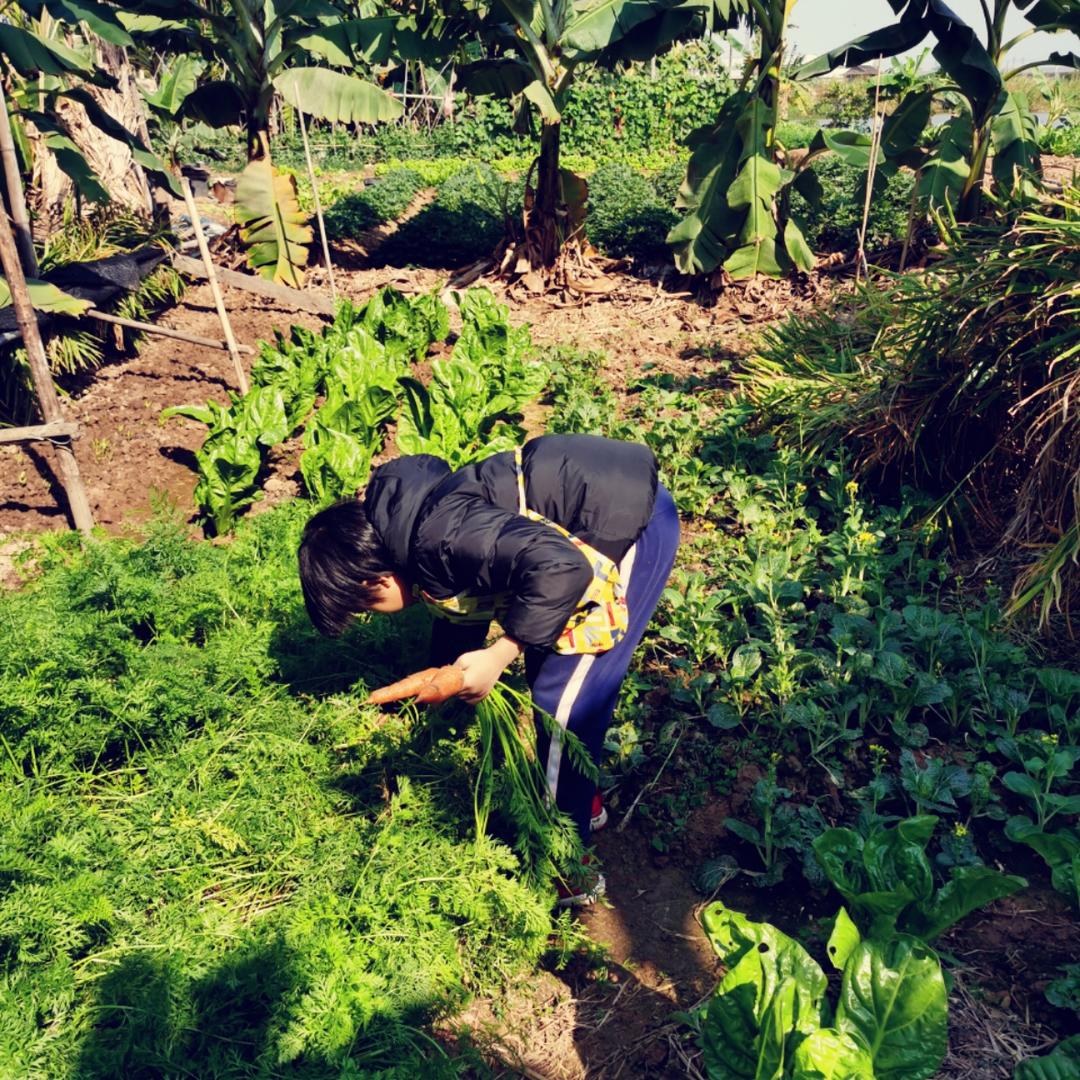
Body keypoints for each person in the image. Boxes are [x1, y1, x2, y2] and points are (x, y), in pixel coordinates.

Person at [298, 433, 680, 905]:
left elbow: (563, 570)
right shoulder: (414, 531)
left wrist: (499, 656)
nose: (372, 615)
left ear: (374, 579)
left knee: (561, 706)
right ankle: (581, 799)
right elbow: (468, 607)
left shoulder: (440, 535)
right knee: (547, 664)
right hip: (587, 515)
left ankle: (567, 868)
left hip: (626, 520)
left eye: (364, 607)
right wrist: (441, 685)